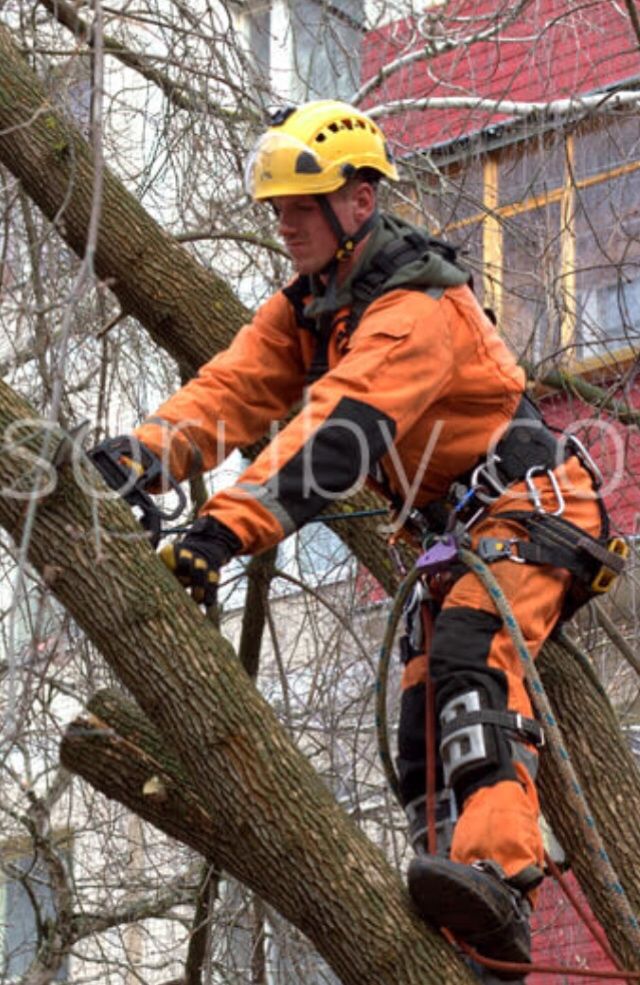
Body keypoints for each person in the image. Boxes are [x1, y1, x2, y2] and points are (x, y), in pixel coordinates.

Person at [92, 100, 616, 980]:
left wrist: (225, 530)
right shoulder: (315, 307)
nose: (286, 225)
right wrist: (139, 457)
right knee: (420, 723)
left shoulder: (418, 305)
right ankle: (452, 901)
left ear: (359, 200)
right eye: (280, 210)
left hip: (535, 509)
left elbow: (342, 432)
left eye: (302, 206)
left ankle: (499, 876)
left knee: (469, 656)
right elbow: (232, 390)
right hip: (460, 531)